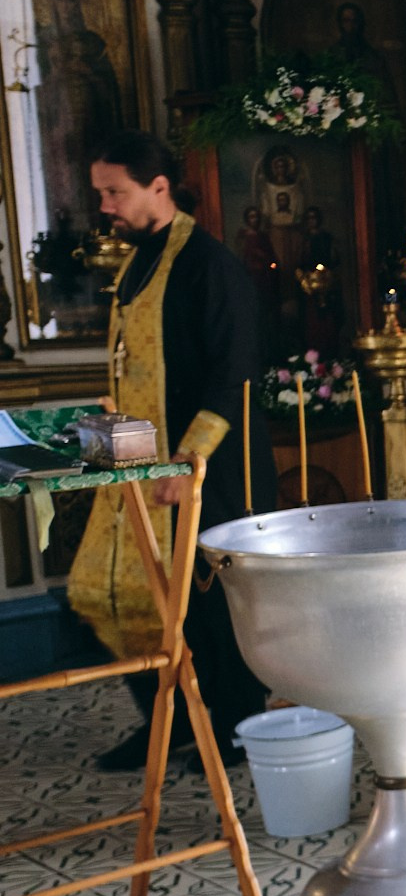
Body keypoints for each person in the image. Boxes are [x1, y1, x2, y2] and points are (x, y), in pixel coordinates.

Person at [78, 131, 277, 773]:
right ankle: (170, 717)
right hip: (139, 465)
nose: (105, 205)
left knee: (212, 606)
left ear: (158, 187)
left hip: (205, 470)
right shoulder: (136, 261)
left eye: (115, 192)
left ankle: (239, 725)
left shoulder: (209, 265)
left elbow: (232, 371)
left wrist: (187, 465)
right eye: (101, 193)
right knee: (112, 595)